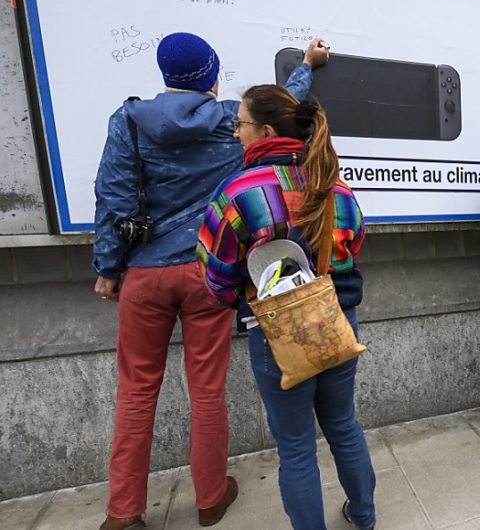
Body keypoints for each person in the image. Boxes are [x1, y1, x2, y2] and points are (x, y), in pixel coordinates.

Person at [92, 32, 328, 530]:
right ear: (213, 75)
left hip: (144, 274)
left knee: (135, 391)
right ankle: (210, 498)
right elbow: (288, 103)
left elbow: (112, 196)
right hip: (207, 270)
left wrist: (109, 268)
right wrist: (306, 64)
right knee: (206, 390)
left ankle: (123, 512)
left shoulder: (128, 120)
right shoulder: (230, 121)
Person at [196, 85, 375, 530]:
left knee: (296, 446)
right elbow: (353, 246)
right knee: (343, 424)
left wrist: (242, 295)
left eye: (240, 124)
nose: (236, 133)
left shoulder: (238, 191)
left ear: (266, 130)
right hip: (337, 322)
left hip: (276, 333)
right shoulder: (337, 187)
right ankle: (365, 516)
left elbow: (216, 276)